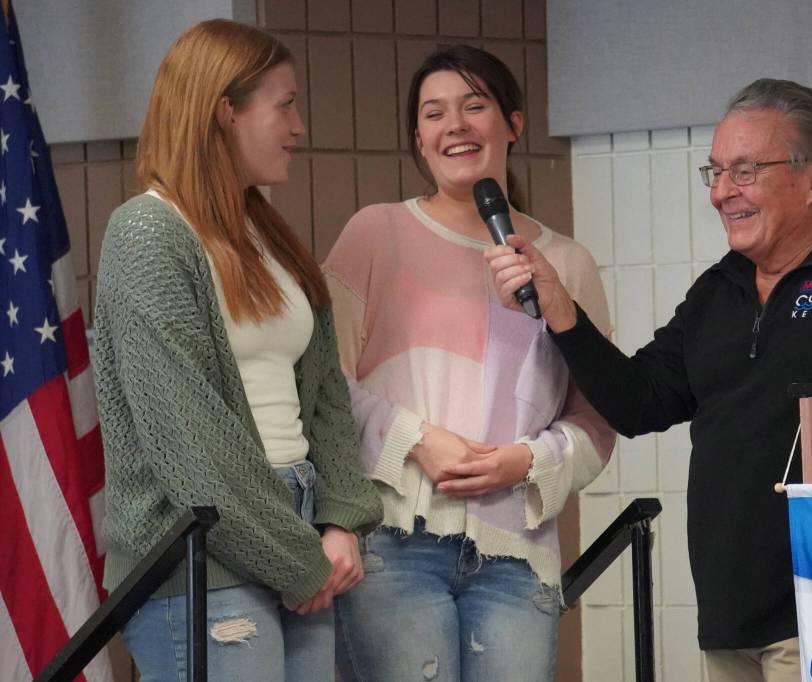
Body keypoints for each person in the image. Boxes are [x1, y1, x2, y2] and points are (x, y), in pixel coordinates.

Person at [487, 78, 812, 682]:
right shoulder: (720, 290)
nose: (721, 192)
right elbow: (639, 403)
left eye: (744, 171)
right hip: (730, 613)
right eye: (714, 172)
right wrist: (561, 312)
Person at [92, 19, 382, 681]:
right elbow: (188, 443)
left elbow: (327, 400)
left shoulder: (268, 233)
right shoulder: (148, 233)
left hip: (297, 533)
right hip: (201, 555)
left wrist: (341, 520)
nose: (299, 125)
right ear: (226, 112)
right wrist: (300, 559)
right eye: (284, 105)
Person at [321, 45, 616, 681]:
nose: (454, 125)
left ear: (512, 123)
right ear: (419, 141)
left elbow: (597, 419)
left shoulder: (567, 262)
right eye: (434, 114)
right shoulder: (374, 233)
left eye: (474, 106)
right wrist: (414, 440)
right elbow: (322, 386)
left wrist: (529, 460)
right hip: (393, 546)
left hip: (517, 555)